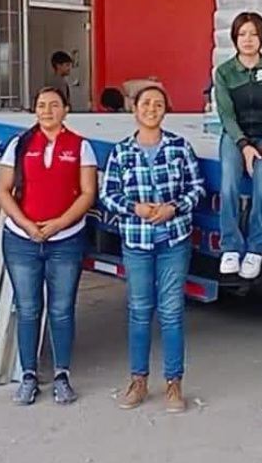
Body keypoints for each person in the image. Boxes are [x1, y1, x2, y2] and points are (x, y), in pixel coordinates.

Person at [99, 85, 206, 413]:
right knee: (140, 311)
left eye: (158, 104)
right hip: (137, 241)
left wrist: (174, 207)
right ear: (135, 109)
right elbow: (107, 195)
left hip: (173, 240)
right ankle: (139, 381)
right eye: (146, 103)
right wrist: (135, 208)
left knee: (172, 312)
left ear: (165, 110)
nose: (151, 109)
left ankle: (174, 384)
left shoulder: (179, 147)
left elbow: (197, 187)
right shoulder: (121, 152)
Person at [0, 86, 98, 406]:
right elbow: (3, 191)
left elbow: (86, 194)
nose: (47, 110)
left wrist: (57, 224)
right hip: (22, 241)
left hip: (65, 241)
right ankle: (28, 375)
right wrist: (27, 225)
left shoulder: (81, 147)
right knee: (28, 309)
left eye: (54, 105)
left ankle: (62, 375)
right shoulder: (19, 144)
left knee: (61, 310)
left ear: (66, 109)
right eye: (41, 105)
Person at [213, 11, 262, 280]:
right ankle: (231, 247)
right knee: (229, 185)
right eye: (242, 34)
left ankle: (257, 248)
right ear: (235, 38)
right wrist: (244, 145)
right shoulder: (224, 72)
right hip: (236, 137)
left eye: (254, 34)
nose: (248, 40)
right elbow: (226, 115)